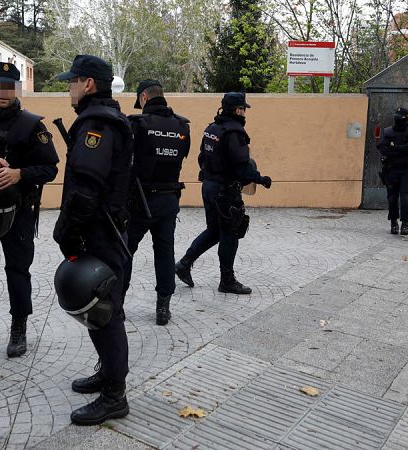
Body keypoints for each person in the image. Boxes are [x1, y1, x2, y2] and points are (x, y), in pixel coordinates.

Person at [52, 55, 133, 425]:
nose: (68, 88)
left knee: (106, 313)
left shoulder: (97, 124)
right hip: (105, 229)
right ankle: (107, 374)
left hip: (101, 232)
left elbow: (86, 188)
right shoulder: (106, 118)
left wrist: (65, 231)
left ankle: (114, 395)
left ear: (88, 84)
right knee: (99, 311)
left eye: (72, 82)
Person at [0, 62, 59, 358]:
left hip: (19, 212)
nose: (4, 92)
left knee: (18, 271)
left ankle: (19, 328)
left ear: (17, 89)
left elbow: (50, 168)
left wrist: (19, 173)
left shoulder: (32, 125)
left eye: (10, 87)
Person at [175, 92, 272, 295]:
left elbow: (202, 158)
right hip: (225, 191)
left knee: (214, 230)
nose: (244, 112)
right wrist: (260, 179)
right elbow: (241, 165)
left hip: (209, 186)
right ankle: (227, 280)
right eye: (243, 108)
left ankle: (184, 264)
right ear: (238, 109)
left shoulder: (212, 129)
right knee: (230, 233)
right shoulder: (234, 133)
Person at [123, 79, 190, 325]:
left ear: (143, 98)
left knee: (125, 251)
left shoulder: (137, 124)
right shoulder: (183, 126)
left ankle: (117, 303)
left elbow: (125, 163)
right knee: (164, 252)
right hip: (169, 199)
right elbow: (181, 157)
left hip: (139, 201)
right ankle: (163, 307)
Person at [377, 107, 408, 236]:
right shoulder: (388, 131)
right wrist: (401, 150)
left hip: (407, 169)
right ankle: (394, 222)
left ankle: (405, 223)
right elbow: (382, 147)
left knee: (405, 197)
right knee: (392, 198)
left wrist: (396, 148)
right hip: (392, 168)